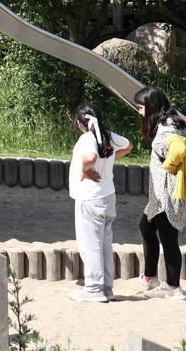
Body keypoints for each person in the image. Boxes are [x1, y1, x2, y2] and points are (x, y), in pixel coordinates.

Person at [68, 103, 131, 302]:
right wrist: (110, 158)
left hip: (90, 198)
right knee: (104, 243)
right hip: (108, 196)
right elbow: (128, 146)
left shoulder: (87, 139)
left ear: (80, 123)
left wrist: (86, 169)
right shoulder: (109, 136)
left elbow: (91, 157)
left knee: (90, 244)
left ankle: (94, 288)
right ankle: (107, 287)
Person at [134, 85, 186, 300]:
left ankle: (174, 288)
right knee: (146, 227)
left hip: (167, 194)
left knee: (168, 238)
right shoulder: (174, 121)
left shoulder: (166, 128)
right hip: (161, 195)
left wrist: (170, 165)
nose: (139, 111)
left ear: (151, 106)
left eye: (141, 107)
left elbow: (180, 150)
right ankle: (150, 277)